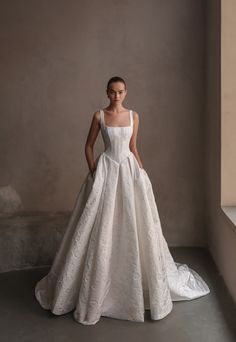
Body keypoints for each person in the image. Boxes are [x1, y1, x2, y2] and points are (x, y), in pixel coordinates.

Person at [35, 76, 210, 325]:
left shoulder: (133, 116)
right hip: (106, 169)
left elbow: (133, 146)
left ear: (126, 93)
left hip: (128, 170)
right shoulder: (99, 116)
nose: (116, 96)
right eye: (112, 92)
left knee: (135, 221)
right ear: (107, 92)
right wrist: (95, 169)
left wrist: (141, 171)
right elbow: (88, 146)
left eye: (120, 92)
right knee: (100, 224)